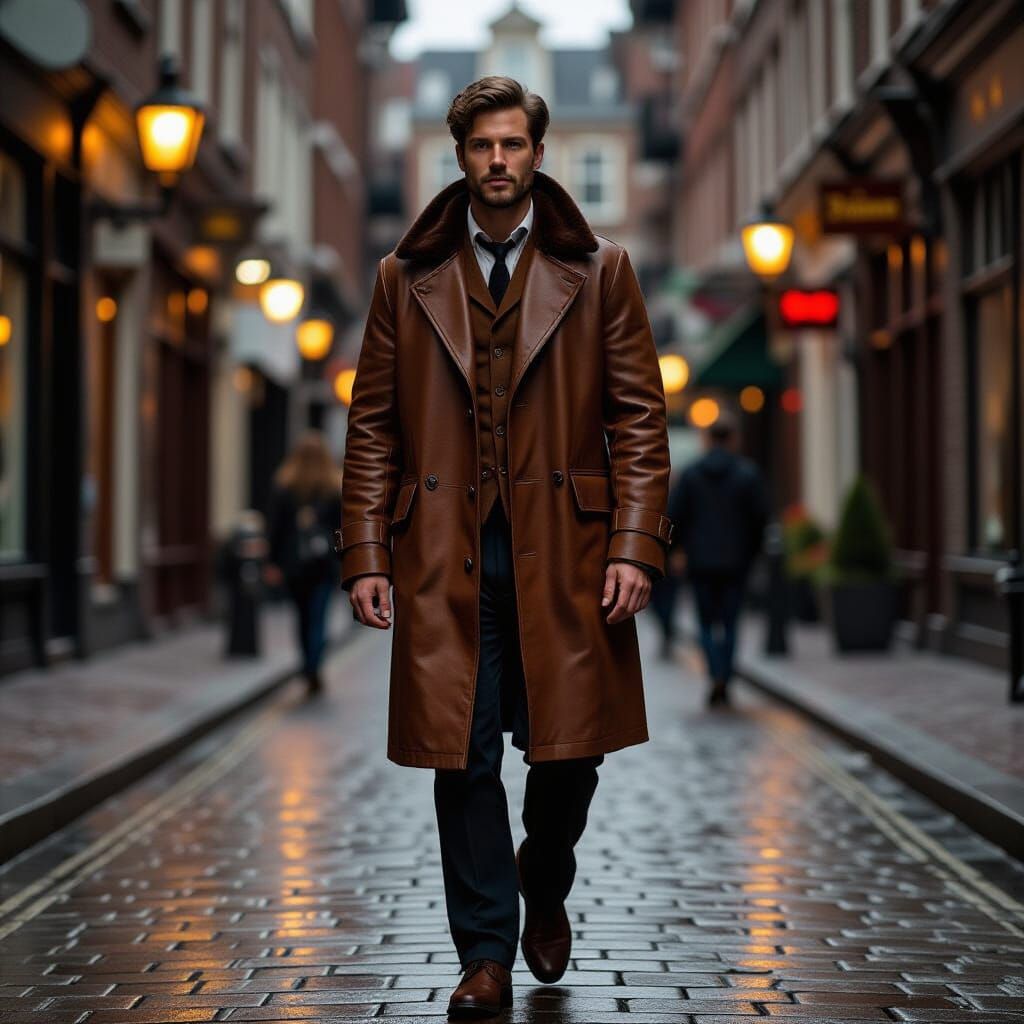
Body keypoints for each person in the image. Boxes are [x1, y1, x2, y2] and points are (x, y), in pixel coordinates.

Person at [336, 77, 672, 1018]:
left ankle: (545, 874)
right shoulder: (404, 279)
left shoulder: (602, 268)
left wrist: (635, 547)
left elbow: (639, 422)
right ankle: (484, 953)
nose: (498, 162)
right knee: (463, 755)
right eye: (482, 145)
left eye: (514, 145)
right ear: (459, 154)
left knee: (570, 755)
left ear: (537, 153)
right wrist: (366, 552)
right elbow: (372, 428)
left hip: (568, 552)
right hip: (445, 557)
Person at [668, 412, 769, 707]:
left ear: (708, 439)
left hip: (700, 563)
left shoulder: (691, 474)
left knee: (705, 623)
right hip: (736, 562)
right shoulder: (748, 474)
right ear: (733, 439)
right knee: (731, 621)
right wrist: (753, 553)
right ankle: (724, 674)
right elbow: (760, 519)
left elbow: (676, 516)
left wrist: (678, 551)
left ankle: (715, 672)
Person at [265, 431, 342, 695]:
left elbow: (274, 529)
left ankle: (308, 664)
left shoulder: (284, 486)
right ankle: (313, 665)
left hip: (294, 566)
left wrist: (272, 563)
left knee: (301, 617)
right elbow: (342, 528)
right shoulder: (333, 488)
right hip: (323, 565)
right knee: (318, 616)